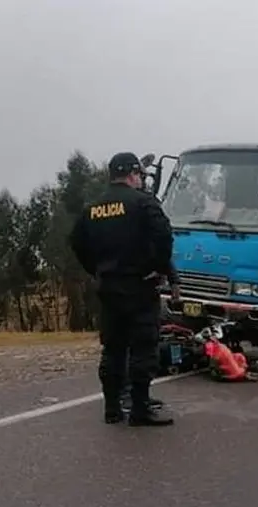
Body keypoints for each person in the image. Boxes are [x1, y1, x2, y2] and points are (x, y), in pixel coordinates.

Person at [69, 151, 180, 427]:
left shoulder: (93, 207)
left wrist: (96, 269)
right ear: (133, 174)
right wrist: (158, 266)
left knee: (113, 348)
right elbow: (164, 234)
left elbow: (76, 242)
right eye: (140, 175)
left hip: (108, 287)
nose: (141, 179)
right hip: (139, 286)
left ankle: (112, 408)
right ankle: (140, 408)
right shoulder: (143, 202)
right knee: (143, 346)